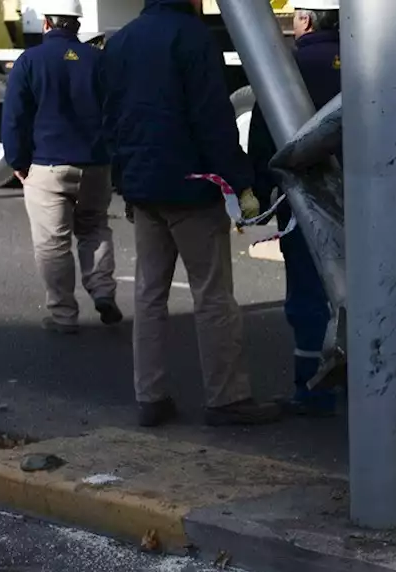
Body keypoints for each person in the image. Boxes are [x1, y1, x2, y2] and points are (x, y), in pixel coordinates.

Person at [101, 0, 279, 428]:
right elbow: (212, 119)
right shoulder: (193, 37)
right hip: (192, 188)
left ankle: (150, 397)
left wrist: (124, 181)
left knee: (149, 295)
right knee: (212, 294)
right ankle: (226, 398)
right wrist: (241, 181)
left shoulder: (121, 41)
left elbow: (112, 120)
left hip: (144, 189)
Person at [1, 0, 120, 335]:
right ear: (77, 25)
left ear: (47, 24)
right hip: (96, 164)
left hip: (47, 165)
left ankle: (64, 314)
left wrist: (17, 162)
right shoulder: (98, 61)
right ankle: (103, 291)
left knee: (53, 243)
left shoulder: (29, 61)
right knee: (94, 228)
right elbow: (114, 112)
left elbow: (14, 118)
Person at [247, 0, 342, 417]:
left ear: (304, 18)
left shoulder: (288, 68)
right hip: (375, 200)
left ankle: (312, 386)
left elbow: (264, 135)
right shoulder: (372, 62)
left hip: (308, 201)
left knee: (309, 291)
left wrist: (259, 189)